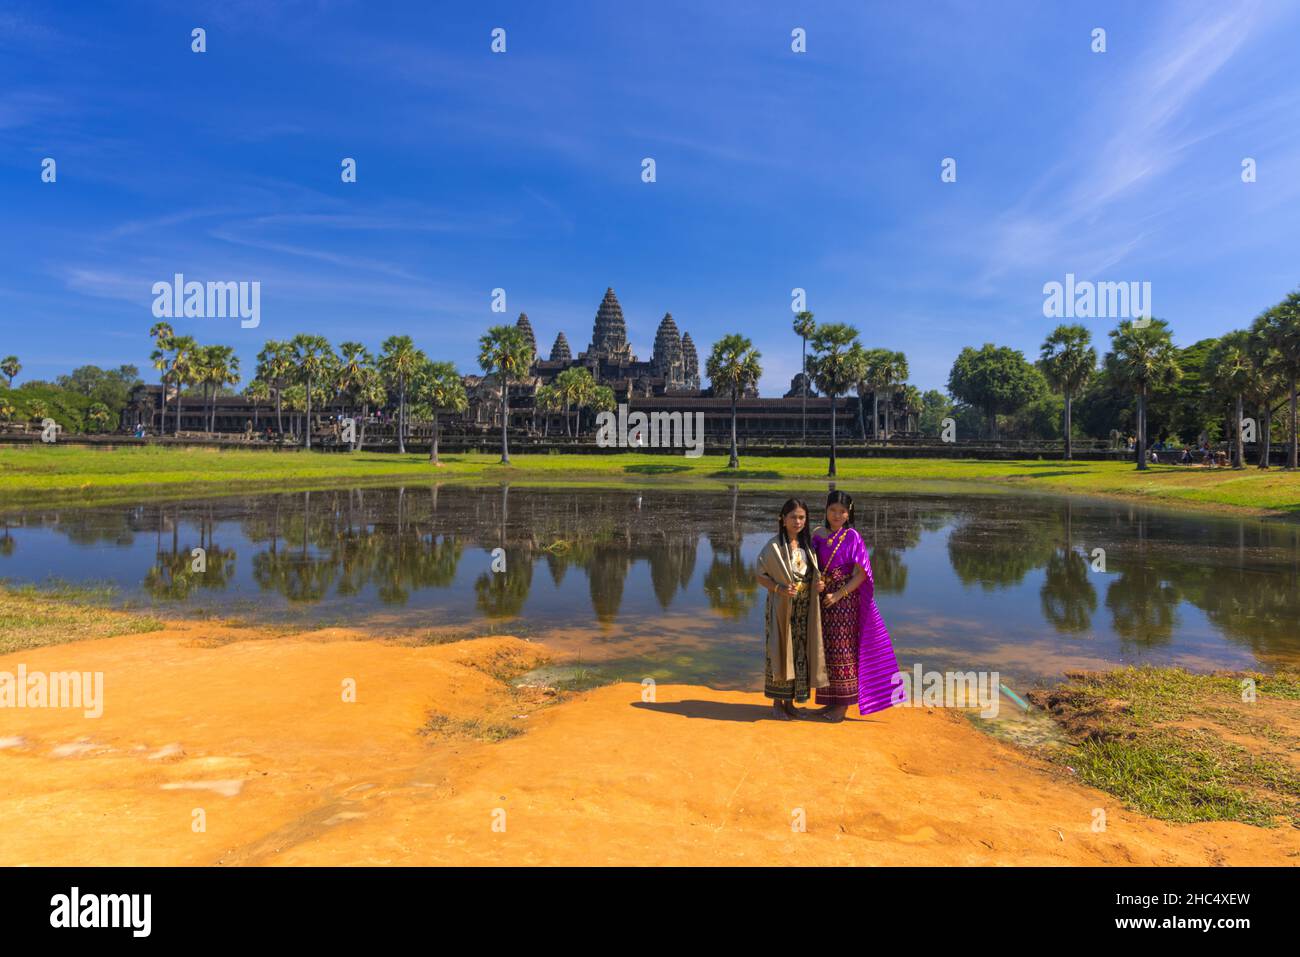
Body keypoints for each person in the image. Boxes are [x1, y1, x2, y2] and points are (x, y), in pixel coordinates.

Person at [809, 490, 906, 723]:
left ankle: (842, 706)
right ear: (826, 510)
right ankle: (830, 701)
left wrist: (839, 594)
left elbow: (861, 575)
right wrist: (819, 585)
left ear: (849, 513)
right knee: (828, 651)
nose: (837, 515)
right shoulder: (817, 535)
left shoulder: (852, 537)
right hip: (824, 600)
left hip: (845, 602)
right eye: (833, 510)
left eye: (842, 511)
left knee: (844, 650)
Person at [755, 499, 828, 720]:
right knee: (780, 650)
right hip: (782, 607)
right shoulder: (774, 547)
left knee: (799, 654)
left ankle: (790, 703)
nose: (798, 521)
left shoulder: (808, 546)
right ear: (783, 519)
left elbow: (813, 574)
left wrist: (820, 584)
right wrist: (778, 588)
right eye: (793, 517)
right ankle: (777, 703)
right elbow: (760, 575)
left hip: (805, 608)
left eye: (802, 517)